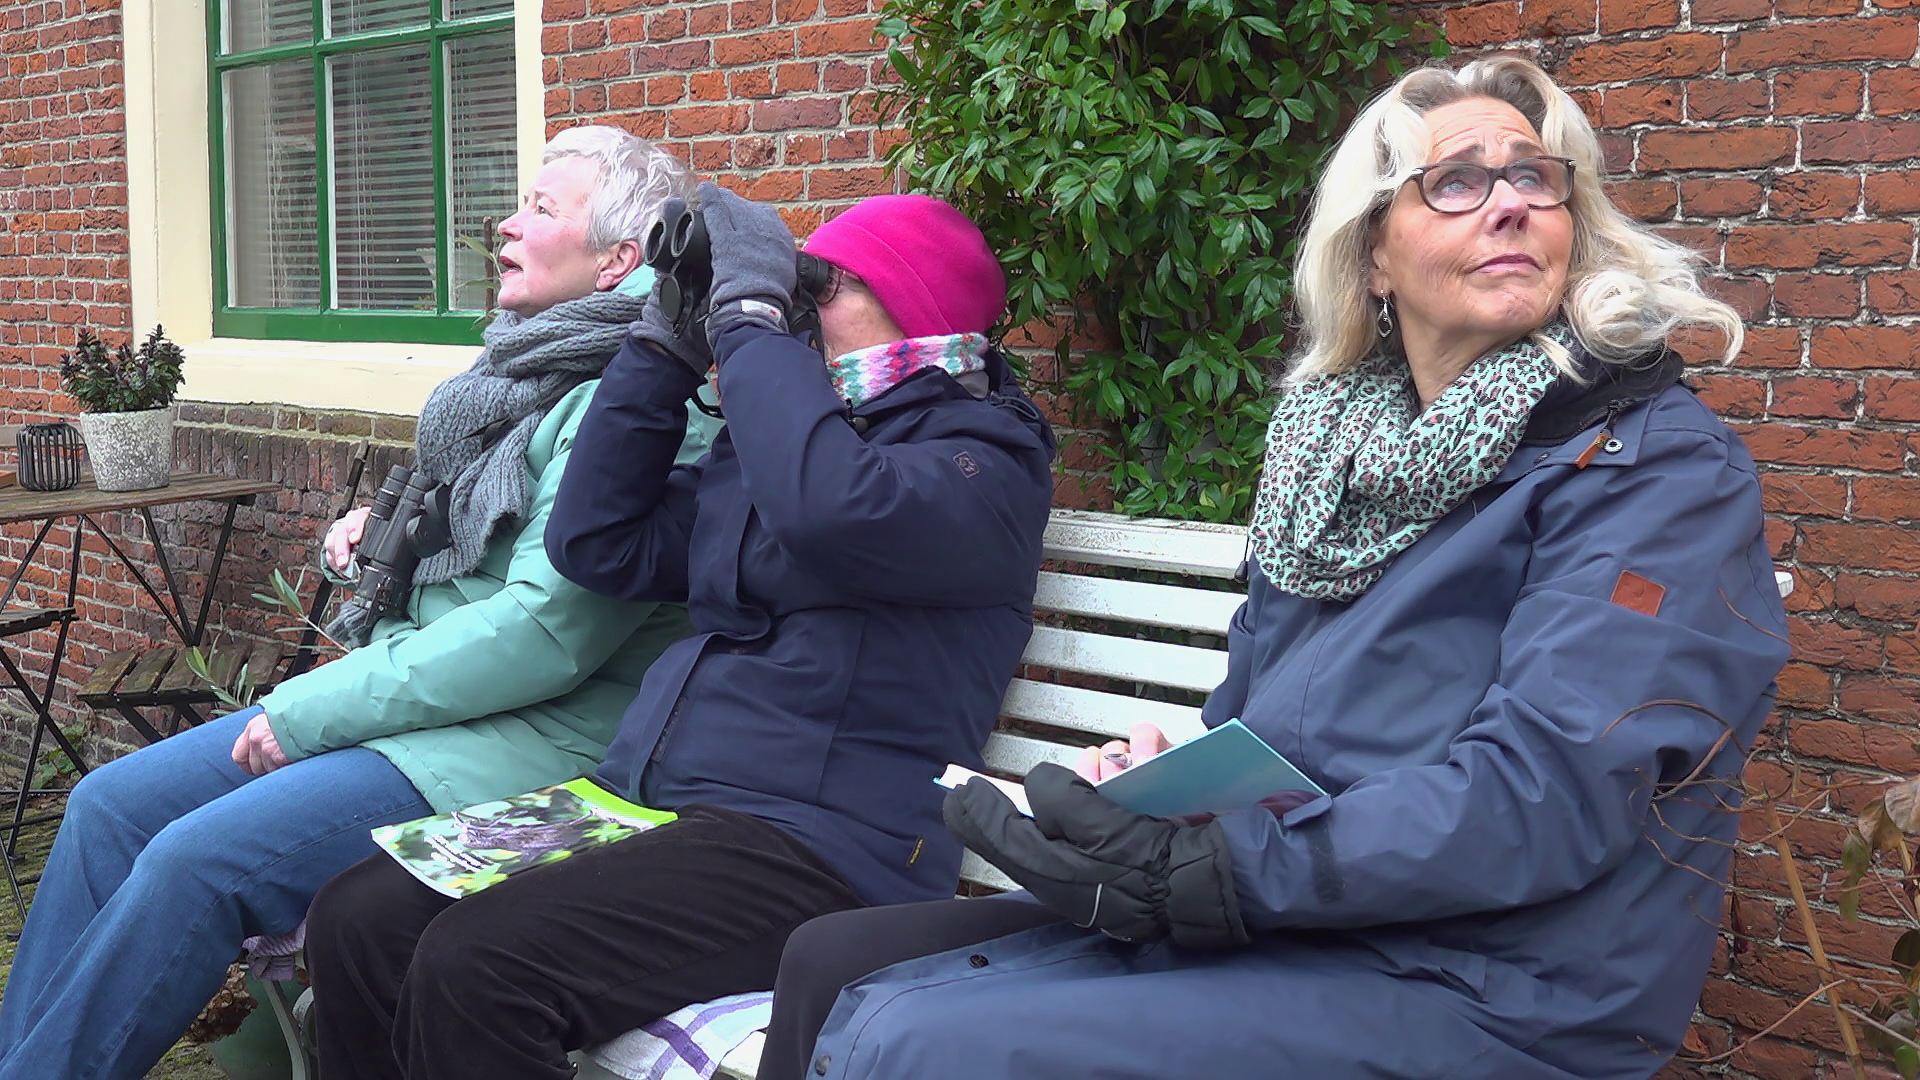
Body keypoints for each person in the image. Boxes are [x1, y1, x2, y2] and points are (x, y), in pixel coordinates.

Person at [757, 55, 1791, 1080]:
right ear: (1374, 255)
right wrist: (1164, 796)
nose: (1511, 206)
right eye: (1457, 182)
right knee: (829, 958)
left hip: (1495, 978)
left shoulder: (1646, 463)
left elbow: (1549, 793)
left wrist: (1217, 866)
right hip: (1301, 911)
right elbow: (1258, 728)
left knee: (914, 1039)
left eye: (1535, 176)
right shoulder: (1328, 458)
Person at [0, 125, 717, 1080]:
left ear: (619, 261)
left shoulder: (639, 412)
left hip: (538, 743)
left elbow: (544, 634)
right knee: (108, 803)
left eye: (542, 209)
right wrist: (375, 542)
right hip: (428, 712)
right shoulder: (517, 378)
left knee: (196, 862)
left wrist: (305, 710)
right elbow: (474, 549)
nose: (504, 223)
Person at [300, 189, 1057, 1080]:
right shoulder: (798, 442)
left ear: (916, 309)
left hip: (823, 847)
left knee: (483, 965)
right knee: (360, 917)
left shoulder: (980, 462)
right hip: (656, 800)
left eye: (826, 285)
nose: (800, 306)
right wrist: (662, 344)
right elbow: (597, 543)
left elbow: (828, 511)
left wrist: (751, 318)